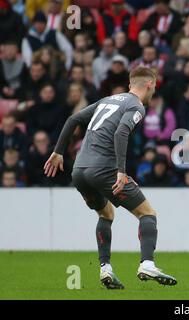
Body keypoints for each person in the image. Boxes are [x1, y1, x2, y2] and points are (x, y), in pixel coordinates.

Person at [43, 66, 177, 289]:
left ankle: (105, 269)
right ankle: (147, 263)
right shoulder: (136, 105)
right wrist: (121, 171)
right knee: (147, 214)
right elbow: (121, 132)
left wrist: (58, 152)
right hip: (103, 169)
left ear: (129, 84)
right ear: (150, 84)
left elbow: (73, 119)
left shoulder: (107, 100)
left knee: (106, 213)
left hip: (79, 170)